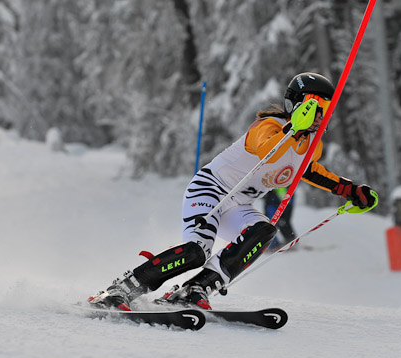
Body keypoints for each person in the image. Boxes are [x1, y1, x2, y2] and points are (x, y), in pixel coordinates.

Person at [88, 72, 377, 311]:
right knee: (195, 252)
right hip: (211, 191)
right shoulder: (268, 127)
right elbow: (269, 152)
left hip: (239, 203)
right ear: (298, 105)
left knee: (264, 230)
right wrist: (293, 129)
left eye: (327, 109)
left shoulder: (310, 144)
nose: (321, 116)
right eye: (315, 106)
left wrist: (349, 189)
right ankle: (124, 287)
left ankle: (195, 288)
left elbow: (310, 170)